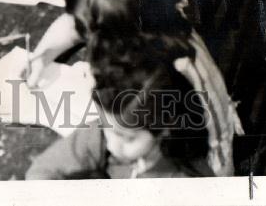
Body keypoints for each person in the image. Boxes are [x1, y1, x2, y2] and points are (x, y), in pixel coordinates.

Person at [24, 0, 242, 177]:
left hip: (195, 153)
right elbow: (73, 23)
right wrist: (43, 55)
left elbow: (211, 135)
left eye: (93, 37)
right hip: (142, 136)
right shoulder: (136, 14)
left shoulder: (172, 68)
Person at [26, 45, 210, 179]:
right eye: (106, 128)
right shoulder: (108, 133)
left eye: (127, 138)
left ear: (166, 128)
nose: (111, 145)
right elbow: (41, 172)